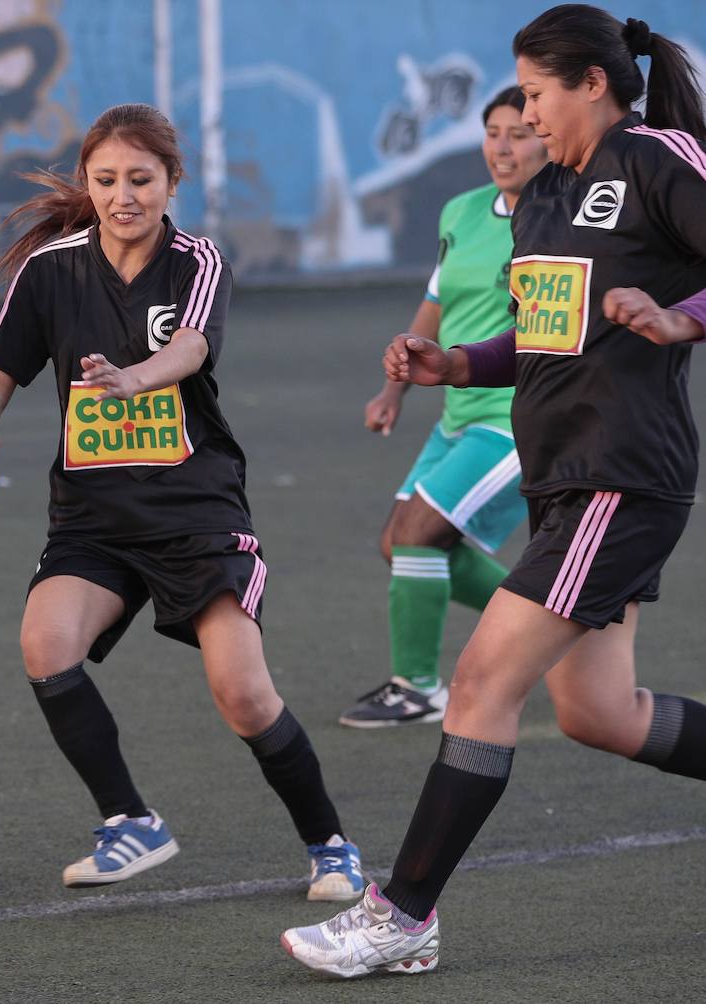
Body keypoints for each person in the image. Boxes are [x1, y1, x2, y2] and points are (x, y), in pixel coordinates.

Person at [284, 5, 706, 977]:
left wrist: (679, 319)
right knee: (599, 711)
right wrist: (453, 361)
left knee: (478, 683)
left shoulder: (656, 156)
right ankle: (407, 915)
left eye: (538, 94)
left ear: (592, 83)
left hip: (623, 473)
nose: (523, 115)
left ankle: (403, 914)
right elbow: (544, 337)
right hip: (564, 477)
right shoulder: (548, 195)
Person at [0, 103, 365, 901]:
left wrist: (133, 376)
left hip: (193, 510)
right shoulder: (52, 271)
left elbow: (193, 346)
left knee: (243, 694)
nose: (122, 196)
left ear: (174, 182)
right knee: (46, 644)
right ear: (87, 183)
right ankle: (128, 821)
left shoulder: (198, 261)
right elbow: (2, 367)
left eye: (140, 179)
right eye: (105, 180)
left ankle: (331, 845)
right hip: (94, 515)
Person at [340, 88, 548, 729]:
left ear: (547, 136)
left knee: (417, 536)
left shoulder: (556, 219)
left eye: (519, 132)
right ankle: (557, 626)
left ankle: (419, 688)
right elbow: (435, 303)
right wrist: (394, 385)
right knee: (399, 546)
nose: (503, 146)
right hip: (457, 413)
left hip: (515, 417)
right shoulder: (460, 211)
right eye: (492, 132)